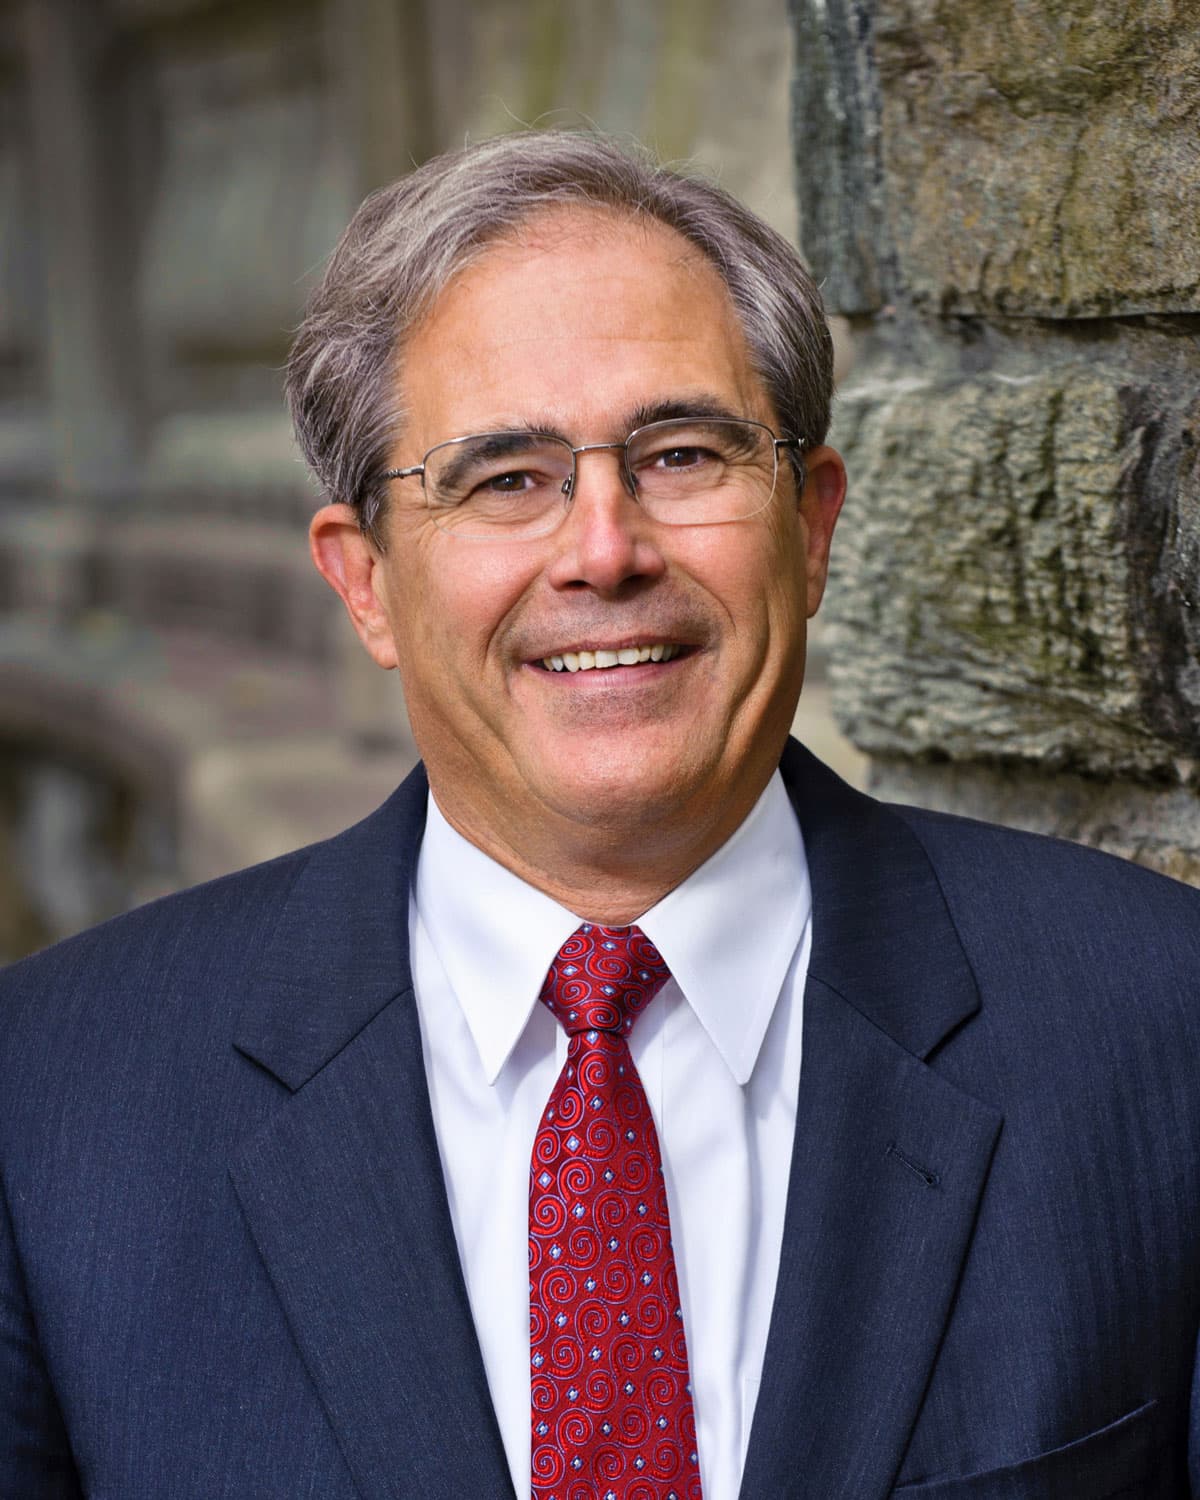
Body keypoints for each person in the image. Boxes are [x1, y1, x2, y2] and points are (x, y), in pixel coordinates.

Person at [1, 130, 1198, 1500]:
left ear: (809, 528)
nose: (604, 549)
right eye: (505, 478)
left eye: (682, 454)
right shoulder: (47, 1107)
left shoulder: (1162, 1028)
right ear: (366, 583)